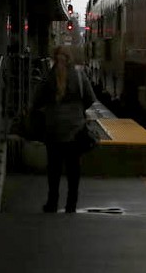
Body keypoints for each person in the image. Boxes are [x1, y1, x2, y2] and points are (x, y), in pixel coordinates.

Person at [32, 45, 97, 213]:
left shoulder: (48, 77)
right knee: (73, 169)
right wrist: (77, 111)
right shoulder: (79, 76)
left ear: (55, 58)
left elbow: (37, 101)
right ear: (70, 58)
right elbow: (90, 98)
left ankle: (52, 203)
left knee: (54, 169)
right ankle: (71, 204)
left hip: (53, 129)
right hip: (75, 130)